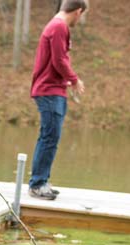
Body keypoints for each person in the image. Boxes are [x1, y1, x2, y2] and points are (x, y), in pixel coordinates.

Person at [28, 0, 87, 200]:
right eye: (82, 15)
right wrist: (74, 79)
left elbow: (56, 60)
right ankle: (38, 184)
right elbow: (59, 59)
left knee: (50, 137)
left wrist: (66, 81)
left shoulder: (55, 25)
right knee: (49, 137)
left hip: (54, 89)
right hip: (49, 90)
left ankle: (42, 180)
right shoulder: (59, 26)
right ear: (78, 11)